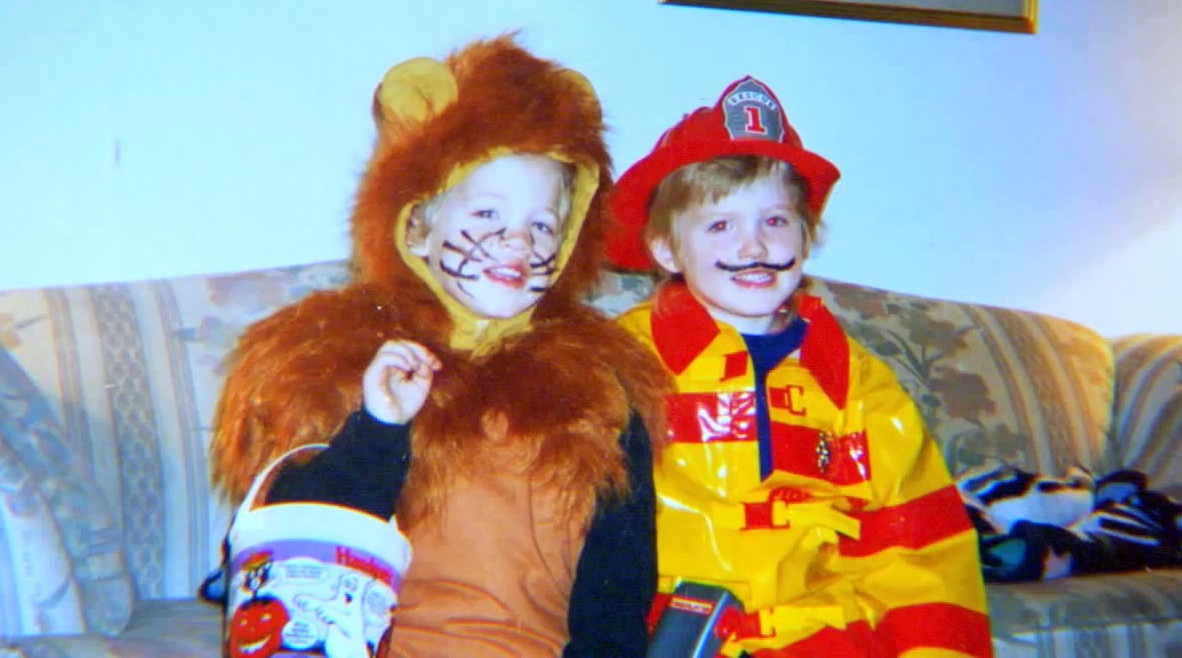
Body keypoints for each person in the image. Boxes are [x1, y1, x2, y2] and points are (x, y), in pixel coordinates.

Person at [208, 36, 670, 658]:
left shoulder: (602, 386)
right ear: (418, 227)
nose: (517, 243)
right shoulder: (334, 360)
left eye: (543, 225)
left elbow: (617, 592)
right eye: (486, 216)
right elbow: (297, 555)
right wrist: (378, 429)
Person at [606, 76, 991, 657]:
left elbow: (920, 554)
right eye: (720, 225)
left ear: (806, 238)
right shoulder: (617, 364)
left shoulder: (859, 386)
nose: (754, 246)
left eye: (776, 221)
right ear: (665, 250)